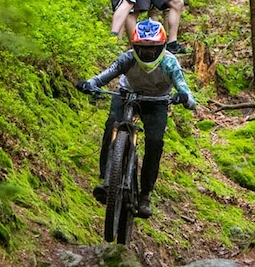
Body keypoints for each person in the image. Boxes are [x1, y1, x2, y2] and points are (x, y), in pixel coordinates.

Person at [76, 19, 197, 218]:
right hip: (126, 94)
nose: (148, 53)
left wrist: (184, 99)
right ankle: (107, 179)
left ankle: (145, 195)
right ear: (134, 47)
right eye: (142, 49)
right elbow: (104, 76)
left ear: (162, 47)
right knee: (111, 126)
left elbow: (186, 91)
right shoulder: (127, 59)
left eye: (152, 49)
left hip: (156, 102)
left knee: (154, 142)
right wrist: (89, 84)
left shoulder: (169, 63)